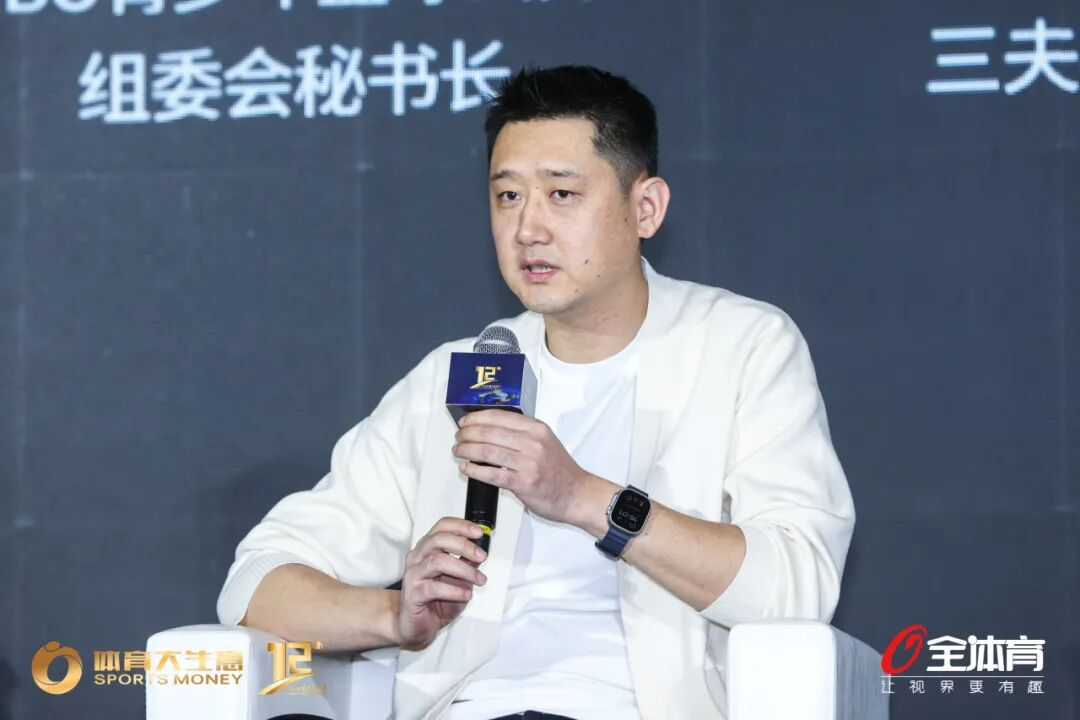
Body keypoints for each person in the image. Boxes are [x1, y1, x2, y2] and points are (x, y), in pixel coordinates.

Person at [216, 65, 856, 720]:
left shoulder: (741, 346)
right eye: (508, 196)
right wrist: (395, 614)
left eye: (562, 194)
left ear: (645, 208)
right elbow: (255, 584)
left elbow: (797, 587)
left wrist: (582, 497)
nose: (527, 228)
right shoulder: (458, 375)